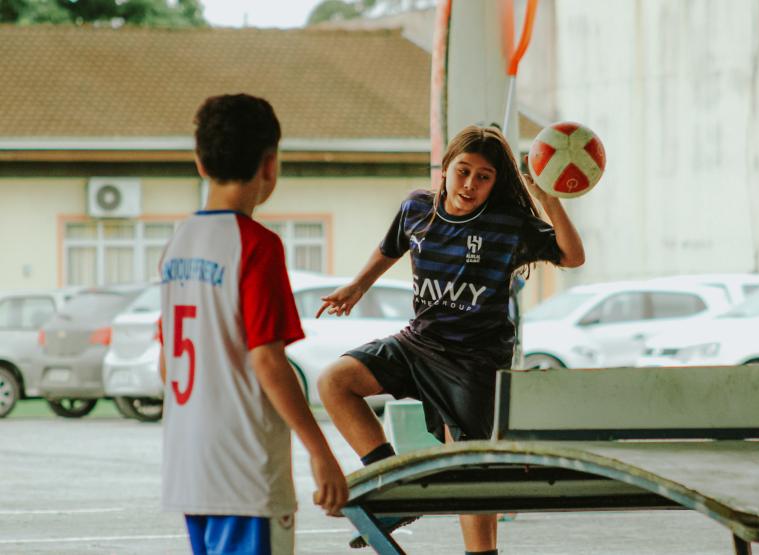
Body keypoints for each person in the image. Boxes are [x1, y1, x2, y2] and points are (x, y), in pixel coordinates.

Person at [317, 124, 585, 553]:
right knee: (335, 381)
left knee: (470, 480)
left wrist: (548, 199)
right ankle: (394, 487)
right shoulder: (416, 209)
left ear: (495, 183)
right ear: (445, 169)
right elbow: (392, 247)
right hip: (417, 344)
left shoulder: (507, 225)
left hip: (475, 362)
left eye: (484, 177)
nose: (470, 184)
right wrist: (357, 286)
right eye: (463, 171)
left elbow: (572, 255)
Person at [158, 93, 348, 555]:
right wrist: (321, 453)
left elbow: (167, 365)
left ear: (200, 163)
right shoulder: (256, 245)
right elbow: (268, 360)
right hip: (245, 470)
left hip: (188, 464)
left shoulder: (177, 243)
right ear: (270, 164)